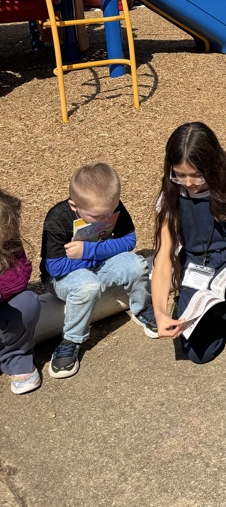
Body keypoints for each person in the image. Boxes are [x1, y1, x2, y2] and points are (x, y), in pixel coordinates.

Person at [151, 123, 226, 365]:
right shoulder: (170, 196)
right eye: (179, 174)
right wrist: (160, 313)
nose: (188, 183)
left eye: (196, 174)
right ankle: (211, 310)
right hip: (194, 265)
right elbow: (163, 258)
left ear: (213, 165)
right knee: (199, 354)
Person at [41, 163, 154, 379]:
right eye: (97, 216)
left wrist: (88, 251)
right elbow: (55, 267)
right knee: (88, 285)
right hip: (63, 278)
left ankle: (142, 308)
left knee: (136, 264)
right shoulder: (58, 218)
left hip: (97, 263)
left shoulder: (111, 206)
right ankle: (72, 339)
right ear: (74, 206)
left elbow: (129, 241)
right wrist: (98, 256)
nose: (105, 219)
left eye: (109, 214)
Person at [0, 189, 42, 395]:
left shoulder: (7, 236)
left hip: (5, 307)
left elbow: (21, 271)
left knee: (27, 302)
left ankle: (16, 357)